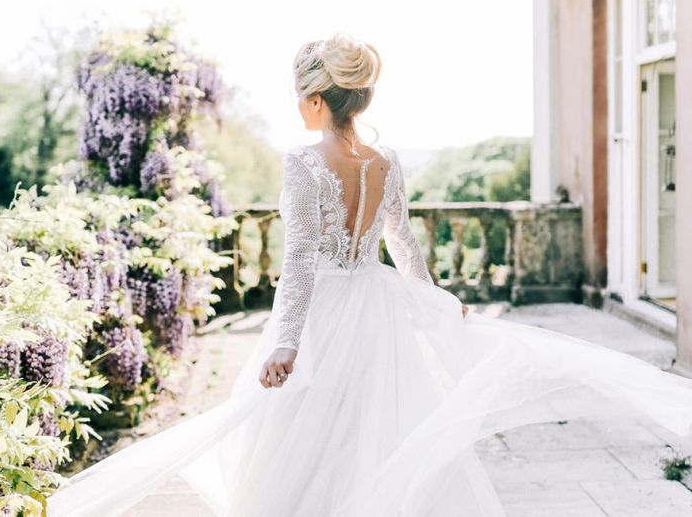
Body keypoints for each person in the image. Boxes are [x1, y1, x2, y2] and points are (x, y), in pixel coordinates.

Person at [47, 33, 692, 517]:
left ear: (320, 99)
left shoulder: (303, 164)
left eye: (301, 96)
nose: (298, 107)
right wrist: (431, 296)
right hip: (377, 307)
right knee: (373, 429)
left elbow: (297, 261)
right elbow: (402, 241)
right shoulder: (385, 161)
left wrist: (286, 341)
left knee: (309, 440)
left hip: (329, 310)